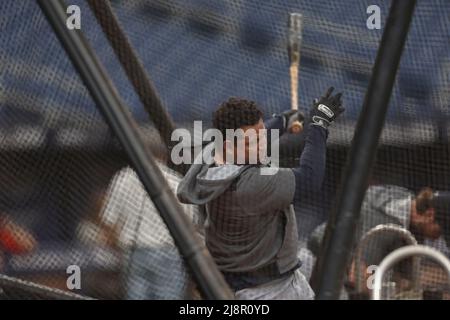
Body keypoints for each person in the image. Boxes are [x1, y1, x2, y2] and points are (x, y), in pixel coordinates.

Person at [177, 87, 344, 299]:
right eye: (253, 143)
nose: (262, 145)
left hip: (254, 281)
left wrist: (282, 121)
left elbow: (255, 134)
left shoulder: (213, 155)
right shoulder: (249, 184)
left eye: (261, 136)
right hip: (266, 291)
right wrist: (320, 123)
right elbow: (309, 179)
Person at [308, 185, 450, 297]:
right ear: (429, 215)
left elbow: (409, 279)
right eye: (440, 231)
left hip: (337, 273)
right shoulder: (386, 223)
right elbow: (360, 277)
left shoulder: (409, 214)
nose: (438, 237)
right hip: (315, 267)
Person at [95, 162, 201, 300]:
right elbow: (190, 225)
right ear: (162, 154)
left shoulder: (123, 178)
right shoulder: (174, 179)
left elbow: (108, 221)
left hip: (134, 252)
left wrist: (119, 248)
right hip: (167, 251)